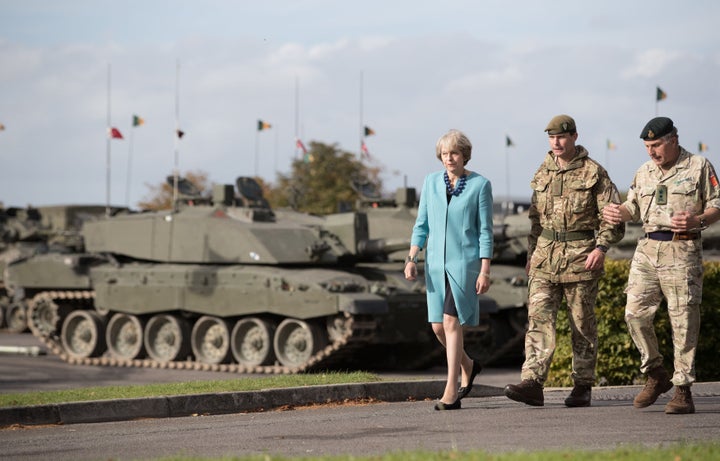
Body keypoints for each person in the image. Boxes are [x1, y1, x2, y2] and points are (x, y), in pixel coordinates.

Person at [504, 114, 625, 407]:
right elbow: (535, 219)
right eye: (551, 137)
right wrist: (532, 254)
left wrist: (601, 248)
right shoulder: (543, 171)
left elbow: (614, 218)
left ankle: (582, 385)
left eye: (561, 137)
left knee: (582, 325)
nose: (555, 143)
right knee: (538, 321)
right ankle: (532, 382)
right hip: (545, 258)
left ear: (574, 137)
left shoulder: (594, 173)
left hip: (581, 258)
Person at [602, 117, 720, 414]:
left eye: (656, 145)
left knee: (683, 320)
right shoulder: (643, 172)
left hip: (683, 248)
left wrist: (699, 219)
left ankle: (683, 389)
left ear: (673, 140)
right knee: (634, 314)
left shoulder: (699, 166)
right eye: (647, 146)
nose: (651, 152)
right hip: (648, 248)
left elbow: (718, 203)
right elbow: (634, 207)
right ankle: (656, 373)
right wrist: (620, 212)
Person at [404, 129, 493, 411]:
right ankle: (469, 364)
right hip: (433, 265)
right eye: (444, 154)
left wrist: (484, 270)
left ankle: (451, 391)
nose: (449, 158)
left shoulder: (480, 185)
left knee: (452, 322)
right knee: (437, 326)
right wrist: (411, 258)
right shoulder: (430, 183)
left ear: (464, 155)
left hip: (464, 265)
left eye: (454, 153)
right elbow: (422, 225)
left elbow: (485, 232)